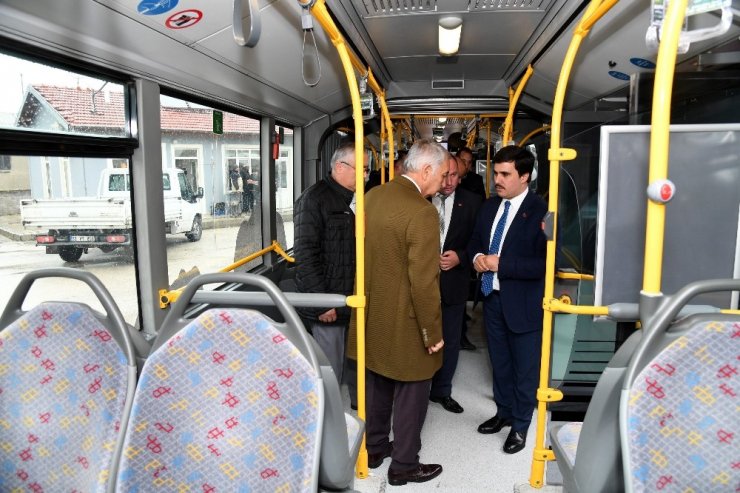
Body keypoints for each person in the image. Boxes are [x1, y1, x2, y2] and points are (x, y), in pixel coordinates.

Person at [347, 138, 448, 486]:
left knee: (376, 383)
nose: (444, 183)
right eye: (443, 175)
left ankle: (375, 448)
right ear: (427, 170)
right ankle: (404, 465)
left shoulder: (372, 196)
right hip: (407, 321)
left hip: (372, 313)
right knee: (412, 393)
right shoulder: (422, 212)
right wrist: (432, 333)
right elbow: (424, 282)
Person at [468, 145, 547, 455]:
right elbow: (476, 241)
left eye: (505, 174)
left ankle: (521, 425)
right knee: (499, 362)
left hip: (524, 303)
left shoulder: (541, 211)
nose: (497, 180)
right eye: (495, 173)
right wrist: (477, 257)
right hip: (492, 298)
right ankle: (503, 412)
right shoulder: (490, 207)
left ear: (525, 176)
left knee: (524, 368)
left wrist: (502, 264)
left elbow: (545, 264)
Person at [293, 141, 367, 400]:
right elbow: (305, 256)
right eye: (361, 169)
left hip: (351, 298)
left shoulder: (357, 198)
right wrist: (322, 303)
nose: (365, 176)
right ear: (340, 167)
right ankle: (328, 418)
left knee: (353, 361)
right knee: (330, 371)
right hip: (329, 304)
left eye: (366, 170)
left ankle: (355, 407)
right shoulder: (313, 199)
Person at [429, 154, 483, 414]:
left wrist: (461, 257)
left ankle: (442, 391)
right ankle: (416, 389)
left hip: (454, 282)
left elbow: (480, 241)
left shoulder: (473, 202)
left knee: (450, 340)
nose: (449, 182)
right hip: (422, 283)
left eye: (455, 176)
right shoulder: (421, 197)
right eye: (445, 175)